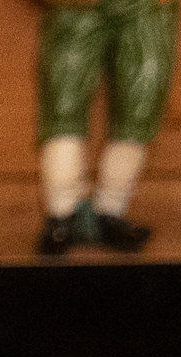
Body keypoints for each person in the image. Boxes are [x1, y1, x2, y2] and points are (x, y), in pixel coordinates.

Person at [35, 0, 176, 254]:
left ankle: (111, 208)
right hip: (76, 7)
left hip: (145, 7)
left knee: (141, 102)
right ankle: (61, 212)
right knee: (63, 100)